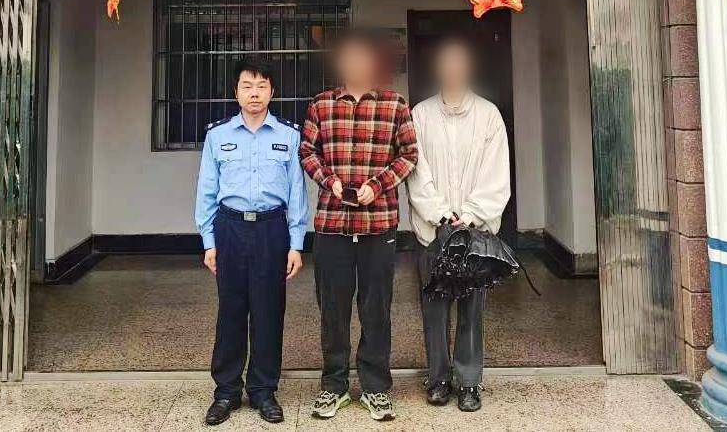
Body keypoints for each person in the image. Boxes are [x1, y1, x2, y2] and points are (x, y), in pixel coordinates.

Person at [299, 28, 418, 422]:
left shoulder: (395, 105)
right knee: (332, 308)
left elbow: (409, 155)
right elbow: (307, 152)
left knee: (376, 307)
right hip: (332, 225)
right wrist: (330, 182)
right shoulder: (321, 105)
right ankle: (333, 385)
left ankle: (375, 387)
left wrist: (377, 185)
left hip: (378, 224)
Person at [194, 59, 310, 425]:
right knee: (231, 310)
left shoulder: (289, 135)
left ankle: (263, 390)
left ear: (272, 92)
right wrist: (208, 241)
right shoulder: (218, 136)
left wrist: (296, 243)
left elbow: (297, 193)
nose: (254, 93)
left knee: (268, 310)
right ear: (236, 92)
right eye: (247, 86)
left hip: (272, 229)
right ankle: (226, 391)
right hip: (229, 228)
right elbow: (206, 191)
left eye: (261, 86)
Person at [406, 36, 512, 412]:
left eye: (459, 63)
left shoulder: (488, 115)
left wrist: (467, 216)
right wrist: (440, 215)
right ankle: (438, 378)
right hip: (432, 230)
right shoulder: (420, 115)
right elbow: (416, 170)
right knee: (434, 307)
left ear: (468, 69)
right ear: (438, 69)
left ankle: (468, 382)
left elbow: (496, 173)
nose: (453, 69)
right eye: (446, 63)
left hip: (476, 231)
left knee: (471, 308)